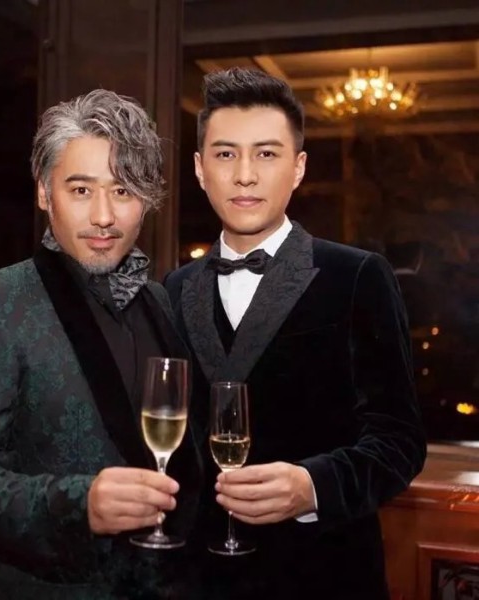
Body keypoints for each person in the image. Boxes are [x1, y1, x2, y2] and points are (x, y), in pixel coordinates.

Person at [165, 67, 426, 600]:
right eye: (225, 154)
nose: (244, 175)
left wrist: (312, 487)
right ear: (199, 169)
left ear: (299, 167)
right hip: (197, 581)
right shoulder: (174, 287)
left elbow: (399, 440)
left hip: (323, 576)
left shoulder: (357, 276)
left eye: (266, 154)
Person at [0, 89, 202, 600]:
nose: (104, 215)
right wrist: (79, 504)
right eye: (80, 189)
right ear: (44, 192)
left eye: (123, 190)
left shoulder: (158, 300)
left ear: (146, 200)